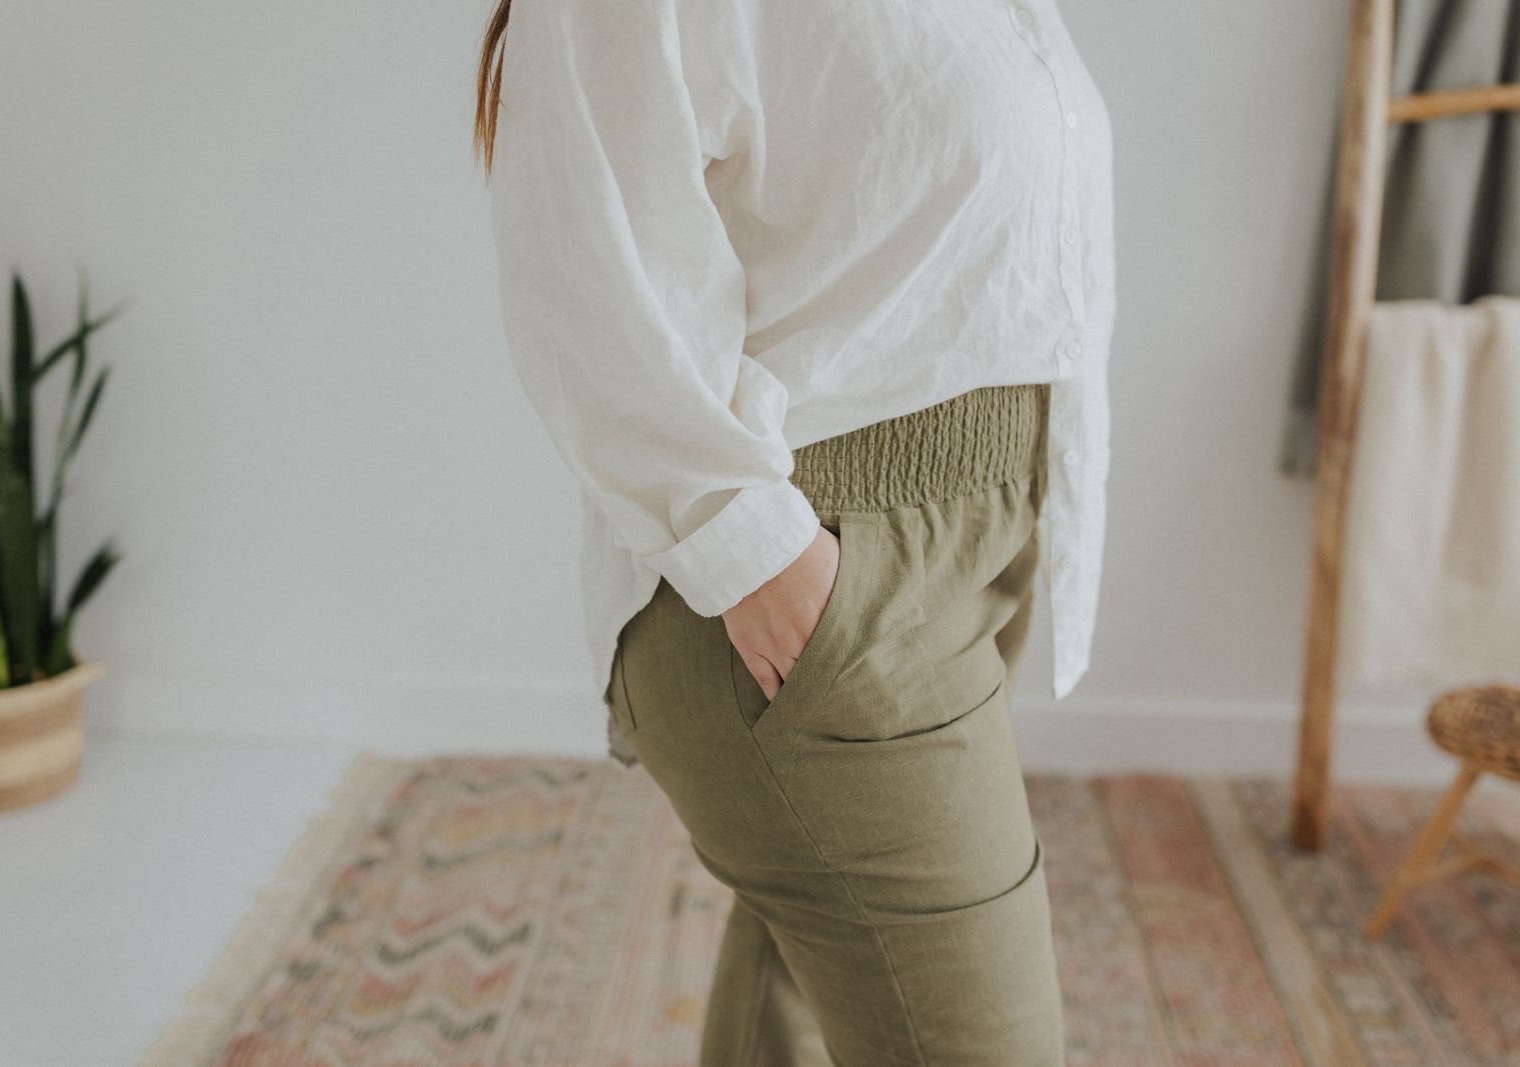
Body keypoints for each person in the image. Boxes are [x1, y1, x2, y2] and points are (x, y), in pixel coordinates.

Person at [476, 0, 1114, 1061]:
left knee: (799, 1004)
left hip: (957, 552)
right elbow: (588, 262)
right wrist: (757, 549)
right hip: (817, 584)